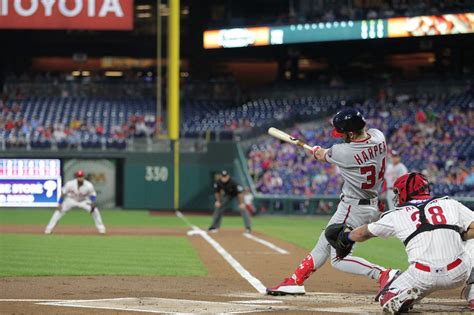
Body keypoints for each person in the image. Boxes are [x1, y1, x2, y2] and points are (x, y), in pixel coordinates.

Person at [267, 108, 398, 296]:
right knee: (324, 243)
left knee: (338, 259)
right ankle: (295, 280)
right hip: (372, 202)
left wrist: (316, 151)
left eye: (343, 133)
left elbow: (322, 155)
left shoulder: (343, 152)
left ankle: (384, 274)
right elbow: (332, 151)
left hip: (353, 207)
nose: (340, 137)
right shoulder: (379, 136)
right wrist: (320, 151)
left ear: (351, 133)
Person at [326, 172, 474, 313]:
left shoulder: (397, 214)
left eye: (398, 192)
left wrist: (345, 238)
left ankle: (401, 295)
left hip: (422, 275)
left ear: (405, 191)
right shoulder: (450, 203)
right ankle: (473, 294)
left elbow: (363, 233)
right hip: (458, 271)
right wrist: (461, 235)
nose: (396, 196)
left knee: (386, 297)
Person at [44, 170, 106, 235]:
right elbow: (63, 193)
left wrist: (93, 203)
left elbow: (93, 195)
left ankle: (101, 229)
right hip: (71, 200)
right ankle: (48, 229)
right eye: (79, 176)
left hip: (84, 200)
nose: (80, 178)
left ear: (83, 177)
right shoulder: (70, 184)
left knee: (95, 211)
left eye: (81, 176)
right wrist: (59, 203)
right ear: (76, 177)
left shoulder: (88, 185)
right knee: (59, 211)